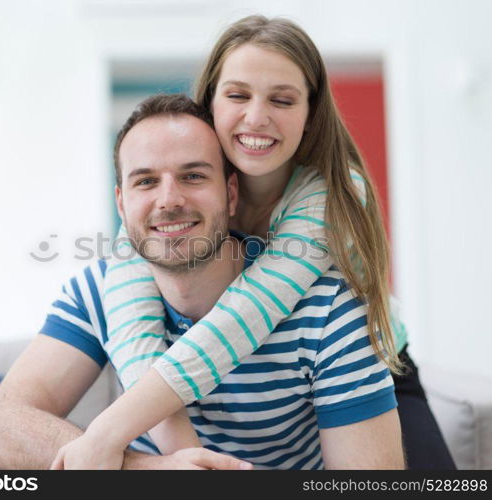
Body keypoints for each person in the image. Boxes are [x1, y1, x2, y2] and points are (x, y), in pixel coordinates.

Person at [94, 16, 454, 469]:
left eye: (282, 99)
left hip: (371, 364)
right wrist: (180, 458)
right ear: (210, 104)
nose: (257, 116)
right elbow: (129, 316)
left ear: (309, 115)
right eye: (238, 95)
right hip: (245, 375)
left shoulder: (332, 197)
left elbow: (245, 314)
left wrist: (106, 432)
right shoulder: (183, 198)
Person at [0, 94, 404, 469]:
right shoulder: (97, 291)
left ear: (231, 194)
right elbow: (2, 429)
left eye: (193, 176)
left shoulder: (327, 308)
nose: (169, 200)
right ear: (121, 203)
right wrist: (149, 471)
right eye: (146, 181)